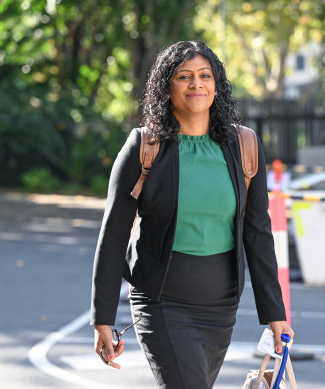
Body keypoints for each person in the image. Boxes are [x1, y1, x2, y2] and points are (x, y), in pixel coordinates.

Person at [91, 40, 294, 389]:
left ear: (217, 85)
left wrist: (275, 314)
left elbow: (257, 232)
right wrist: (103, 319)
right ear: (166, 87)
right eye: (184, 76)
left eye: (205, 75)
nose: (196, 84)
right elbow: (113, 235)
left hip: (220, 306)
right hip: (161, 301)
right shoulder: (144, 147)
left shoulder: (244, 146)